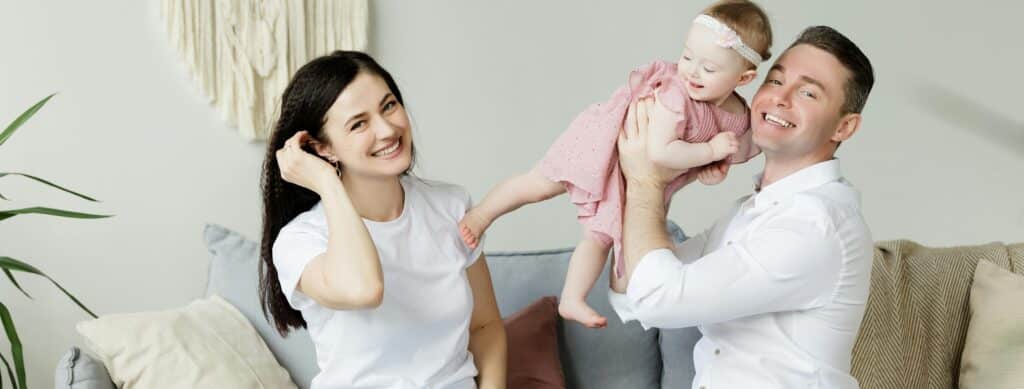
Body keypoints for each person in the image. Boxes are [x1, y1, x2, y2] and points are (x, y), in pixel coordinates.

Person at [458, 0, 772, 328]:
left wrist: (710, 170)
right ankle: (482, 214)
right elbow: (661, 152)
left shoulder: (737, 117)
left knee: (599, 236)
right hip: (605, 144)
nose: (691, 71)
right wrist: (708, 151)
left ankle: (571, 299)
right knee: (539, 183)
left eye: (708, 68)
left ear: (744, 78)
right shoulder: (674, 94)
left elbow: (706, 163)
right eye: (687, 56)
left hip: (634, 176)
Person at [611, 26, 876, 388]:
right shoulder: (753, 211)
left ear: (844, 127)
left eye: (808, 92)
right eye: (775, 80)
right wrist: (669, 177)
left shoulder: (814, 225)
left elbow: (660, 300)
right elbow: (632, 290)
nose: (780, 99)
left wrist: (646, 182)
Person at [258, 51, 507, 389]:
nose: (388, 129)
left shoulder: (451, 206)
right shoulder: (299, 240)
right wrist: (328, 184)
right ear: (322, 149)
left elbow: (485, 325)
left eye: (389, 106)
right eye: (359, 124)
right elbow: (365, 289)